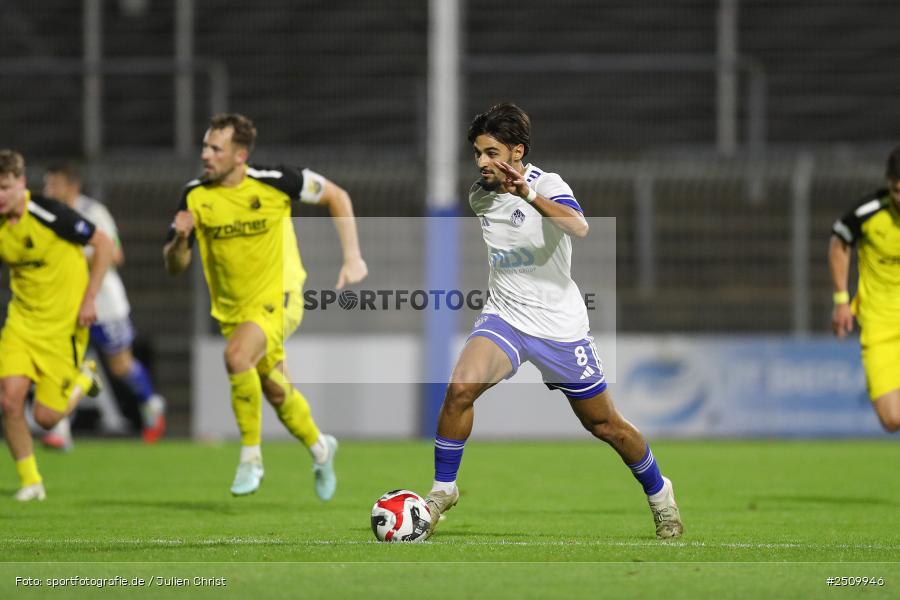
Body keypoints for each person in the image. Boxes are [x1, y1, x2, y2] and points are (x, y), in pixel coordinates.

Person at [424, 103, 684, 539]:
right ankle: (442, 490)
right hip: (505, 317)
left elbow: (579, 227)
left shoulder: (549, 184)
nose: (482, 162)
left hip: (559, 328)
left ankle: (661, 496)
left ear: (517, 152)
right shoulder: (480, 195)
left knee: (605, 426)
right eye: (477, 153)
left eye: (491, 153)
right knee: (458, 391)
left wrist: (526, 194)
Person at [164, 113, 367, 499]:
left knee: (236, 356)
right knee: (276, 391)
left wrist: (352, 257)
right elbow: (174, 267)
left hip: (282, 297)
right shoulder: (193, 195)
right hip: (234, 313)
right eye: (205, 146)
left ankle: (250, 459)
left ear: (239, 155)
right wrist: (178, 240)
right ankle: (322, 449)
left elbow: (336, 195)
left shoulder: (276, 181)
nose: (205, 154)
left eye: (215, 148)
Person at [0, 150, 113, 501]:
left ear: (21, 184)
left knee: (47, 418)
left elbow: (103, 244)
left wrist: (90, 298)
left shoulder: (50, 213)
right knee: (9, 401)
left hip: (63, 329)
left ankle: (85, 378)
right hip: (21, 323)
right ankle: (31, 481)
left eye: (4, 187)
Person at [41, 162, 166, 448]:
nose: (48, 190)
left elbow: (116, 255)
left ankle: (150, 402)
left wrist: (72, 258)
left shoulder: (94, 213)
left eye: (54, 184)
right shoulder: (45, 215)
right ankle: (61, 431)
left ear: (72, 186)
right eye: (47, 184)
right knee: (62, 365)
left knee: (121, 366)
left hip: (105, 304)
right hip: (68, 303)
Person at [830, 146, 900, 432]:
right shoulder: (868, 212)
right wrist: (841, 300)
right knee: (892, 419)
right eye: (897, 190)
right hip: (879, 324)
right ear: (888, 184)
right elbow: (839, 243)